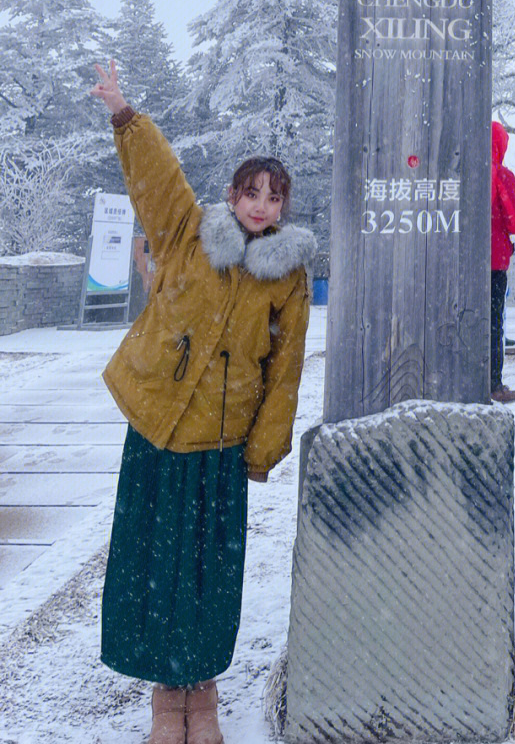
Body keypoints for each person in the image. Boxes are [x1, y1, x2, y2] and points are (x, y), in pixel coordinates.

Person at [90, 61, 314, 744]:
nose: (261, 205)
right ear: (232, 194)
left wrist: (264, 445)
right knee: (154, 572)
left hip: (220, 446)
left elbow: (285, 369)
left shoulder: (288, 275)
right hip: (158, 431)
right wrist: (126, 114)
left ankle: (204, 698)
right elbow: (155, 176)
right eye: (252, 192)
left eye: (274, 197)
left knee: (209, 578)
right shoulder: (188, 232)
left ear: (282, 209)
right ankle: (167, 703)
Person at [490, 121, 515, 404]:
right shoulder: (501, 175)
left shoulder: (458, 172)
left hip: (458, 263)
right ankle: (493, 384)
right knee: (493, 322)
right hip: (493, 260)